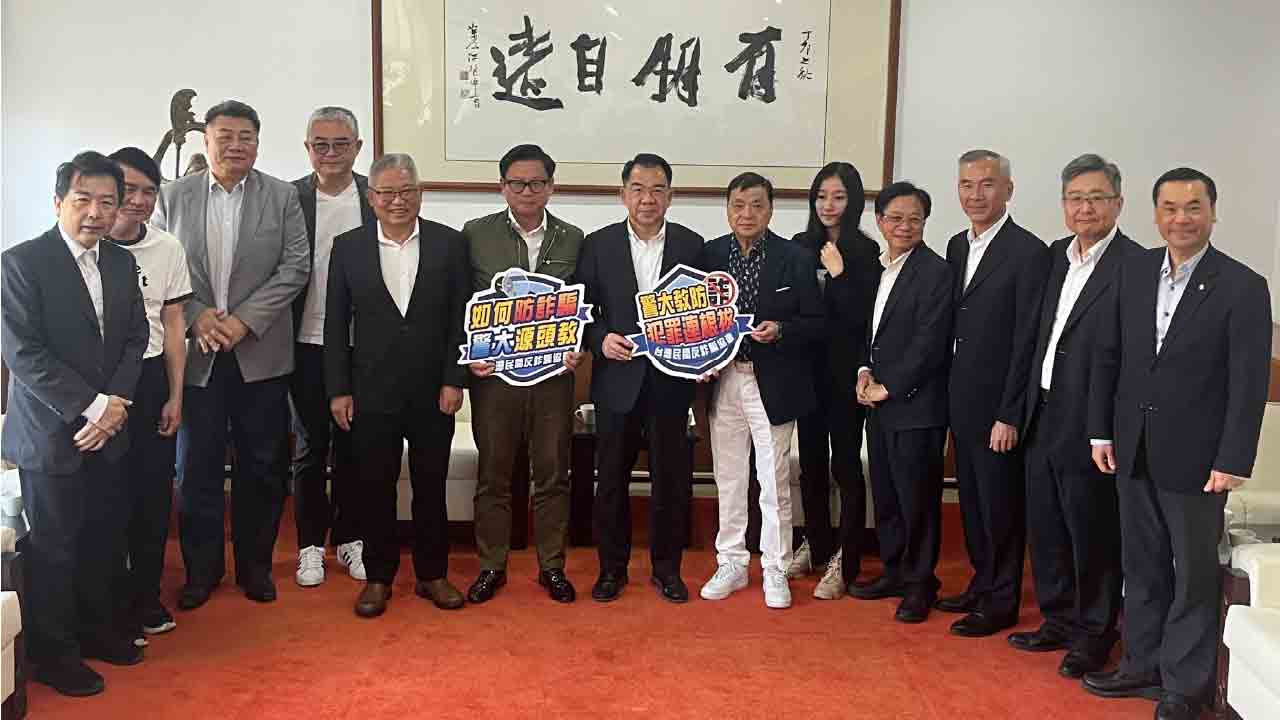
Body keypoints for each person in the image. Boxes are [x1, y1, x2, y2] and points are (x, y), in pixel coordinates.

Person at [1083, 168, 1271, 720]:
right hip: (1132, 446)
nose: (1181, 219)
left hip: (1199, 458)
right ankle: (1141, 663)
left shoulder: (1242, 285)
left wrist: (1233, 458)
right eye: (1169, 208)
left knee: (1193, 574)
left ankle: (1184, 686)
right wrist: (1101, 431)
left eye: (1193, 208)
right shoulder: (1134, 271)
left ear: (1212, 213)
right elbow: (1109, 355)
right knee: (1141, 564)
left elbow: (1248, 382)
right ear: (1155, 214)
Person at [1, 151, 150, 696]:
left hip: (108, 429)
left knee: (103, 538)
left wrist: (115, 407)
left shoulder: (120, 263)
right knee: (55, 547)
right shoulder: (21, 262)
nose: (96, 212)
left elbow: (136, 337)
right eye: (83, 199)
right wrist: (94, 407)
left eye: (108, 202)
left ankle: (96, 632)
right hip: (51, 434)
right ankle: (54, 654)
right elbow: (24, 354)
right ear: (58, 201)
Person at [152, 99, 309, 609]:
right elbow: (158, 267)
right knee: (195, 468)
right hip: (195, 357)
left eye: (246, 136)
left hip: (259, 354)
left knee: (261, 467)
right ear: (207, 140)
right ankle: (201, 573)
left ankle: (255, 567)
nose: (236, 145)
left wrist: (242, 321)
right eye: (225, 136)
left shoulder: (281, 196)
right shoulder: (172, 197)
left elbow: (295, 267)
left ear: (258, 143)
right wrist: (198, 315)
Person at [1009, 154, 1139, 678]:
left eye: (1096, 198)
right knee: (1047, 526)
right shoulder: (1056, 257)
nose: (1085, 208)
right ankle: (1058, 620)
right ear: (1063, 204)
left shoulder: (1135, 265)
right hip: (1042, 410)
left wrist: (1107, 426)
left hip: (1091, 420)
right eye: (1075, 198)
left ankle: (1095, 634)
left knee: (1093, 532)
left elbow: (1131, 356)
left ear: (1118, 203)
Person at [325, 153, 471, 617]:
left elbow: (460, 317)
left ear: (420, 194)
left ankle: (433, 574)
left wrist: (454, 379)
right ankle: (379, 578)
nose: (397, 201)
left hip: (433, 392)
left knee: (431, 486)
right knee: (375, 488)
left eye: (406, 191)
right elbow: (335, 324)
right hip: (371, 391)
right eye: (387, 193)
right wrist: (339, 389)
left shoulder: (449, 244)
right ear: (371, 198)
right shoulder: (348, 247)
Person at [576, 153, 704, 604]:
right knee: (611, 479)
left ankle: (667, 570)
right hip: (617, 381)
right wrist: (600, 338)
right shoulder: (598, 244)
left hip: (671, 382)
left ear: (670, 195)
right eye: (638, 189)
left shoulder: (691, 245)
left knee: (671, 480)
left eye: (657, 190)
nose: (647, 199)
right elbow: (583, 310)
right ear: (623, 194)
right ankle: (611, 570)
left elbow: (704, 314)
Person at [462, 144, 586, 604]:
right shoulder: (475, 235)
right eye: (517, 183)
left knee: (553, 474)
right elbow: (459, 303)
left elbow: (586, 305)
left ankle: (552, 566)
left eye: (537, 183)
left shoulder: (573, 239)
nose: (527, 191)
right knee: (494, 474)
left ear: (551, 187)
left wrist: (578, 346)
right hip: (495, 377)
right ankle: (491, 566)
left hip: (553, 377)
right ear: (502, 187)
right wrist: (468, 354)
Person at [697, 172, 824, 609]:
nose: (746, 214)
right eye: (738, 205)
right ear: (727, 209)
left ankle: (775, 567)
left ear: (771, 210)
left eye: (756, 205)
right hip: (724, 380)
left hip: (773, 382)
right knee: (729, 478)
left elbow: (816, 323)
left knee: (773, 481)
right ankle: (731, 561)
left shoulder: (795, 258)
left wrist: (782, 330)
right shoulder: (710, 255)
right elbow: (695, 321)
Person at [942, 149, 1049, 637]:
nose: (976, 194)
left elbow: (1028, 340)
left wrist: (1010, 413)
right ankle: (981, 584)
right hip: (961, 400)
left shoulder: (1029, 252)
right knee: (972, 501)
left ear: (1008, 189)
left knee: (1001, 506)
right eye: (967, 185)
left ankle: (1002, 600)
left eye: (986, 184)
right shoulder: (956, 246)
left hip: (999, 408)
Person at [851, 182, 953, 624]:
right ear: (880, 221)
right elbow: (869, 331)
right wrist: (863, 372)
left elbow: (930, 343)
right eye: (895, 218)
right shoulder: (878, 268)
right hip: (879, 405)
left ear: (925, 222)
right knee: (888, 495)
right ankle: (894, 571)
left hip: (917, 406)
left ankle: (920, 584)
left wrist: (889, 386)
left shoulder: (936, 272)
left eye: (914, 219)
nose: (904, 226)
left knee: (918, 500)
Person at [105, 147, 193, 644]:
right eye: (128, 189)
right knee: (106, 497)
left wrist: (175, 394)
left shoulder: (166, 249)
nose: (138, 201)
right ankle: (109, 602)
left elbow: (174, 324)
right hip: (98, 384)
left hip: (151, 376)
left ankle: (145, 596)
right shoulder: (86, 246)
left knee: (152, 496)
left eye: (149, 192)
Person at [786, 162, 880, 600]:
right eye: (822, 196)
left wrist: (840, 274)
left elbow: (863, 318)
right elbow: (794, 309)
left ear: (853, 201)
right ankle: (817, 543)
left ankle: (847, 556)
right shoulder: (798, 246)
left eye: (838, 197)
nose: (828, 205)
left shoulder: (866, 251)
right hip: (807, 373)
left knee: (845, 465)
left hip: (846, 376)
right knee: (811, 466)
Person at [289, 106, 374, 587]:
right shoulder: (289, 198)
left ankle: (350, 538)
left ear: (357, 148)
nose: (330, 153)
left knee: (354, 448)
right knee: (309, 447)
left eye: (341, 144)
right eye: (320, 144)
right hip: (304, 341)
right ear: (307, 149)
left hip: (361, 344)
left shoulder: (374, 196)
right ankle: (309, 546)